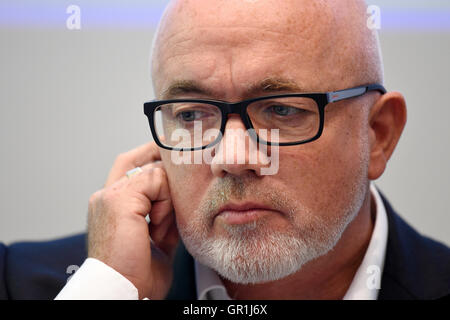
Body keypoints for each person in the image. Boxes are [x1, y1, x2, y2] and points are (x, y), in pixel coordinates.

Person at [1, 0, 449, 300]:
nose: (232, 157)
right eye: (192, 115)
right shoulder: (20, 283)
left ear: (378, 134)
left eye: (281, 109)